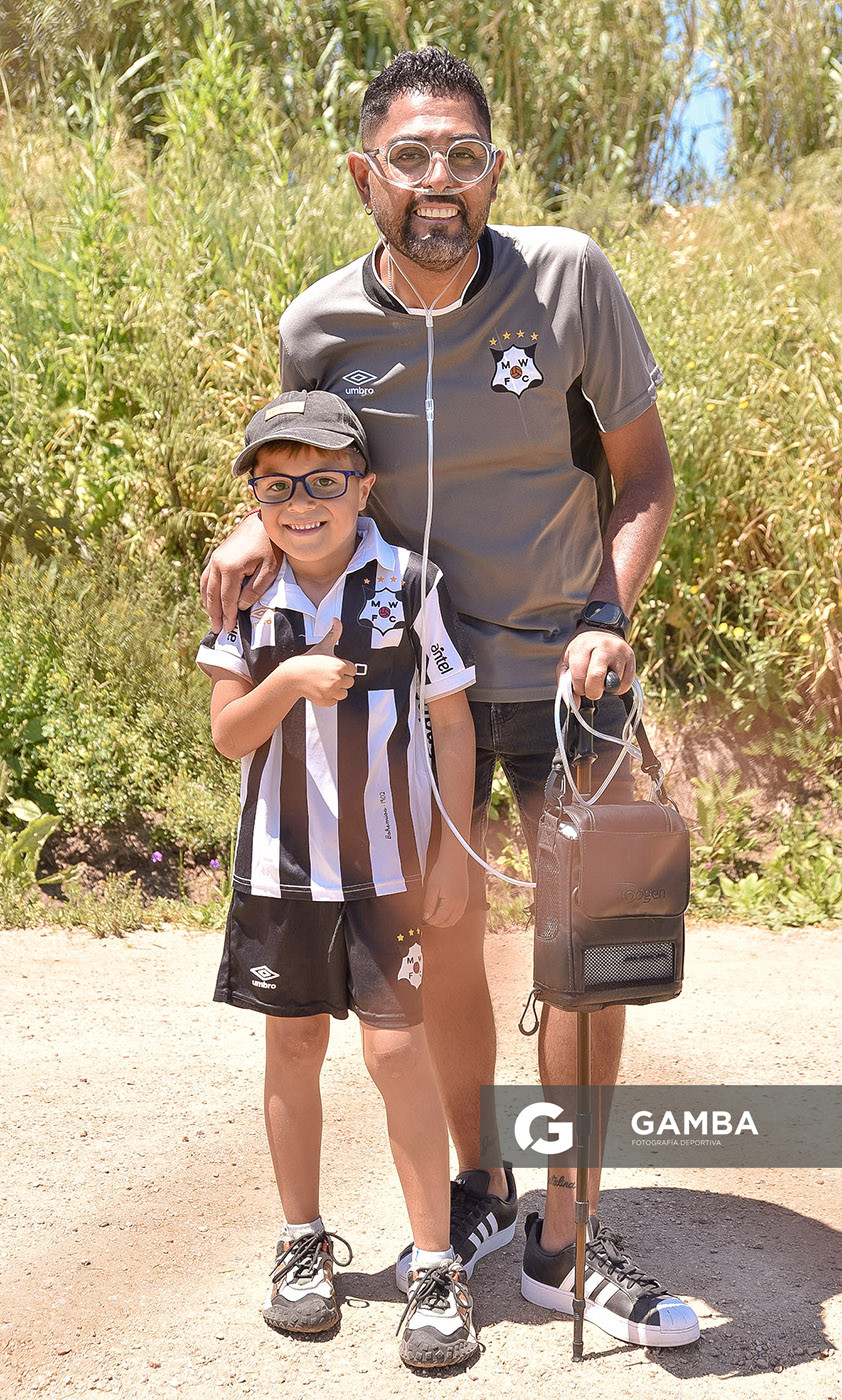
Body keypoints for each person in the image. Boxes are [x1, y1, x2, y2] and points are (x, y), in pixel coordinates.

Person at [202, 48, 700, 1348]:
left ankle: (563, 1238)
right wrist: (254, 533)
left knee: (591, 963)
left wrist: (607, 616)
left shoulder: (569, 279)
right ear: (364, 176)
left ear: (492, 172)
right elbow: (309, 477)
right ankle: (478, 1191)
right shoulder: (319, 327)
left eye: (462, 157)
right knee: (451, 937)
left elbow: (642, 477)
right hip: (416, 689)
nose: (439, 181)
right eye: (410, 158)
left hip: (566, 673)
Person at [197, 388, 480, 1369]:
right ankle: (300, 1240)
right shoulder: (245, 593)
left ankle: (436, 1264)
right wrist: (284, 681)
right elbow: (231, 732)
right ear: (255, 497)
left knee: (398, 1054)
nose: (302, 501)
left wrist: (449, 849)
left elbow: (451, 719)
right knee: (292, 1049)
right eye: (278, 485)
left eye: (324, 480)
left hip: (389, 870)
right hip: (277, 871)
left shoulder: (407, 579)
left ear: (363, 487)